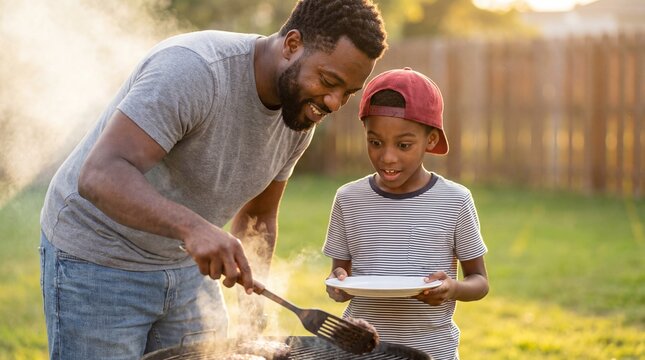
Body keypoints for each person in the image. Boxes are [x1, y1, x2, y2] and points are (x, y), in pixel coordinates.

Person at [39, 0, 387, 358]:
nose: (333, 102)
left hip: (185, 266)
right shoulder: (195, 70)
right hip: (98, 259)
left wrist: (253, 311)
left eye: (347, 93)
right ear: (292, 45)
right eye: (329, 82)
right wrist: (193, 228)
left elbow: (258, 217)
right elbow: (100, 175)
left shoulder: (297, 113)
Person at [323, 67, 489, 360]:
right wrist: (338, 286)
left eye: (404, 145)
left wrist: (452, 288)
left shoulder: (455, 200)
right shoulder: (348, 199)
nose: (387, 156)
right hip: (361, 352)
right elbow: (342, 276)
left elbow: (479, 282)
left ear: (431, 140)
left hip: (431, 352)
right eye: (375, 142)